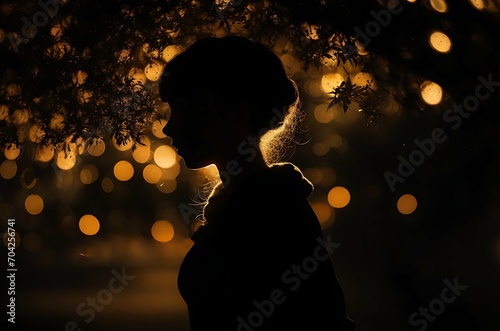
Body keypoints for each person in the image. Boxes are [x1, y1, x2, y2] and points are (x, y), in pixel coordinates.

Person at [159, 35, 355, 330]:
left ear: (238, 112)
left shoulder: (268, 211)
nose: (168, 127)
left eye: (185, 111)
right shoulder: (252, 203)